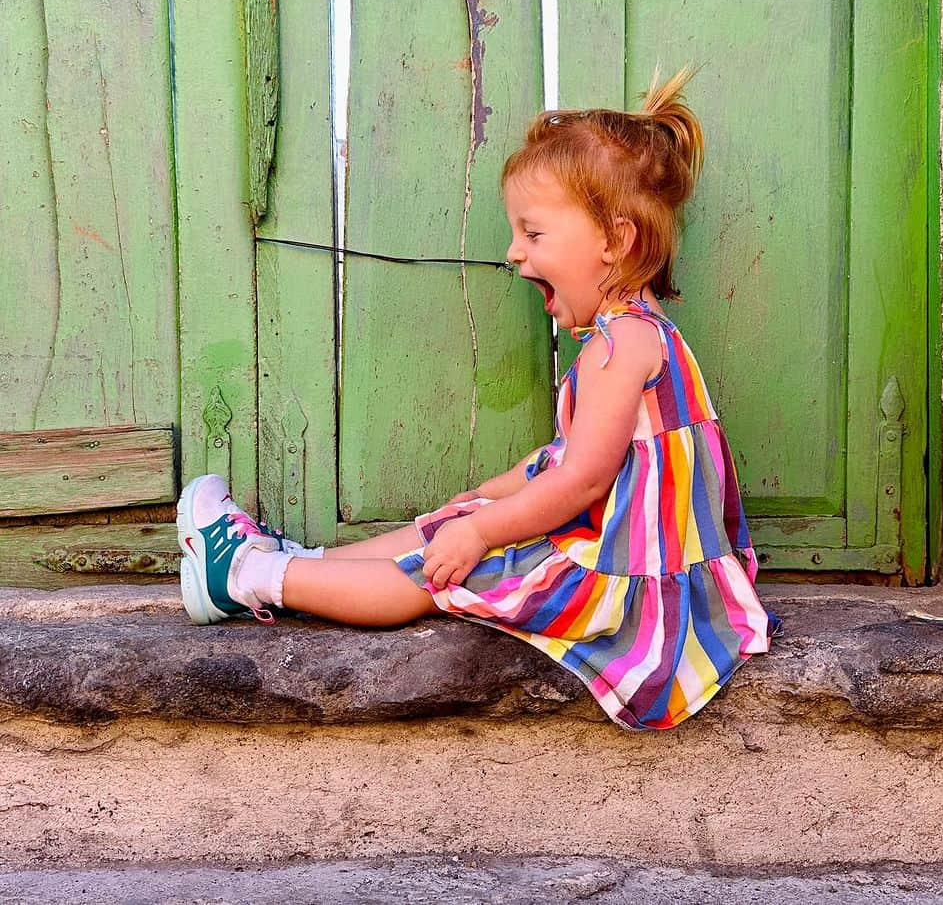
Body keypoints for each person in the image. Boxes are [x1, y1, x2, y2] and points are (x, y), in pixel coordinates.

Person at [177, 66, 782, 731]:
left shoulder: (622, 349)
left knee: (438, 575)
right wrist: (484, 501)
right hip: (628, 559)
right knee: (456, 521)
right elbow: (555, 465)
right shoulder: (631, 339)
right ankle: (300, 564)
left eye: (535, 233)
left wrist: (484, 527)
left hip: (626, 588)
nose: (514, 253)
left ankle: (246, 578)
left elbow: (581, 482)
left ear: (614, 241)